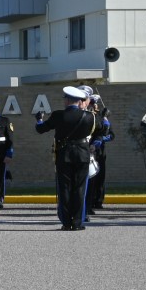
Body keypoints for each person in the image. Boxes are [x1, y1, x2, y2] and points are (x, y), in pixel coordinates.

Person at [35, 86, 96, 230]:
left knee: (65, 189)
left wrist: (38, 120)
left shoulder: (58, 115)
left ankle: (66, 222)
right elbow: (99, 129)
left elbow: (41, 129)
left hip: (64, 154)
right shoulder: (89, 116)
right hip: (82, 155)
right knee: (80, 189)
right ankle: (77, 222)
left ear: (68, 100)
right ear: (79, 101)